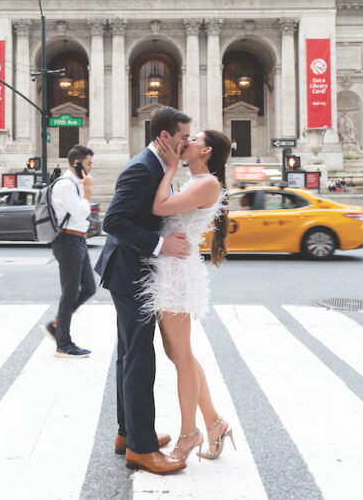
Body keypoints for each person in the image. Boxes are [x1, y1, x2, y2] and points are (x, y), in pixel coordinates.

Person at [95, 106, 192, 475]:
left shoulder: (155, 166)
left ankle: (127, 433)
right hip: (130, 271)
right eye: (183, 138)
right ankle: (141, 447)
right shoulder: (141, 168)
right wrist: (160, 244)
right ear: (165, 137)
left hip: (132, 270)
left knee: (129, 355)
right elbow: (113, 221)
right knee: (140, 358)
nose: (186, 144)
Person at [142, 129, 234, 464]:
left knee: (181, 357)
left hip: (178, 274)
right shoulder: (197, 180)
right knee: (178, 353)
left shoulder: (207, 182)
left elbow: (160, 207)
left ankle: (188, 432)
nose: (186, 141)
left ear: (205, 150)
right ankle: (215, 423)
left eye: (192, 139)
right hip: (171, 267)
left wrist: (167, 168)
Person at [42, 145, 98, 358]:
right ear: (77, 163)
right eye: (88, 163)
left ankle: (57, 324)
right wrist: (89, 189)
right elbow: (82, 213)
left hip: (78, 241)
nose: (91, 168)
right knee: (70, 293)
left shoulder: (76, 184)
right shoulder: (66, 185)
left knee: (89, 288)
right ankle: (63, 344)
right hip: (68, 241)